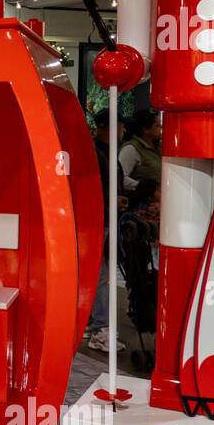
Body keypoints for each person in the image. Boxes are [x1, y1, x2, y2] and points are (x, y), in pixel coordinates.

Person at [86, 109, 126, 354]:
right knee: (102, 276)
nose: (122, 131)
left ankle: (94, 325)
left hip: (106, 219)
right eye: (119, 126)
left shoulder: (107, 153)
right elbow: (92, 188)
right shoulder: (95, 153)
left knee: (100, 275)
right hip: (99, 220)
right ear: (105, 127)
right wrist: (113, 201)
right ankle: (100, 328)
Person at [120, 109, 162, 195]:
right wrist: (146, 189)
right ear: (146, 129)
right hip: (143, 204)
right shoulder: (131, 148)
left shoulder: (159, 147)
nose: (160, 129)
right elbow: (120, 177)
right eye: (157, 126)